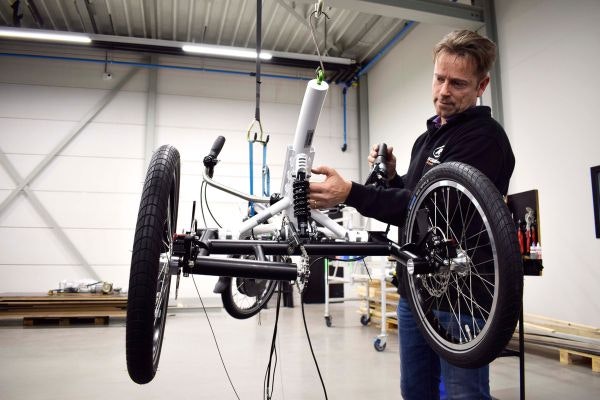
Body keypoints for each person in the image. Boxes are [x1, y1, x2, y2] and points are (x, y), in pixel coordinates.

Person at [309, 30, 515, 399]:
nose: (444, 91)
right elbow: (415, 191)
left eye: (458, 83)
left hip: (462, 297)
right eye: (439, 78)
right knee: (415, 391)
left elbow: (430, 207)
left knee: (463, 394)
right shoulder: (429, 138)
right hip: (416, 294)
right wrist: (390, 175)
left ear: (482, 84)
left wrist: (352, 192)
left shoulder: (485, 139)